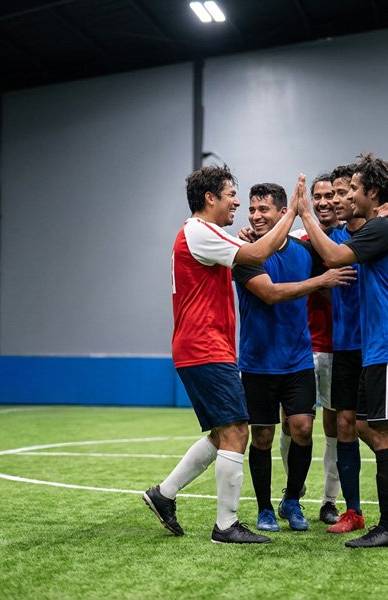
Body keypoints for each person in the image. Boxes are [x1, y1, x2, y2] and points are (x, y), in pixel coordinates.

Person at [295, 154, 388, 548]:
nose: (349, 195)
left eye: (355, 190)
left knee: (382, 435)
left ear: (373, 193)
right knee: (368, 427)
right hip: (381, 347)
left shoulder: (383, 227)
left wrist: (305, 212)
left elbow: (334, 256)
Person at [143, 165, 300, 545]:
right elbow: (259, 252)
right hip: (204, 347)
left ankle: (163, 494)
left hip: (203, 348)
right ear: (210, 198)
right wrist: (292, 211)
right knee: (236, 433)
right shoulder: (199, 231)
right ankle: (226, 526)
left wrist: (284, 226)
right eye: (231, 194)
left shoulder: (203, 233)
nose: (236, 202)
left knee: (220, 434)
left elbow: (261, 249)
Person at [233, 182, 355, 533]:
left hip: (298, 360)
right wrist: (319, 282)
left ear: (281, 212)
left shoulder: (305, 251)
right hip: (258, 363)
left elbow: (335, 256)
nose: (256, 216)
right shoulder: (245, 254)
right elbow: (271, 294)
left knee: (301, 428)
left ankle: (292, 501)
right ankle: (264, 508)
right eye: (252, 210)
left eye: (263, 210)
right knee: (263, 438)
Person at [285, 173, 342, 525]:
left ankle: (329, 500)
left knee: (335, 427)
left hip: (338, 348)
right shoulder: (295, 240)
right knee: (293, 426)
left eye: (329, 196)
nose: (322, 202)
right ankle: (293, 494)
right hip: (299, 348)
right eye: (317, 197)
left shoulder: (351, 240)